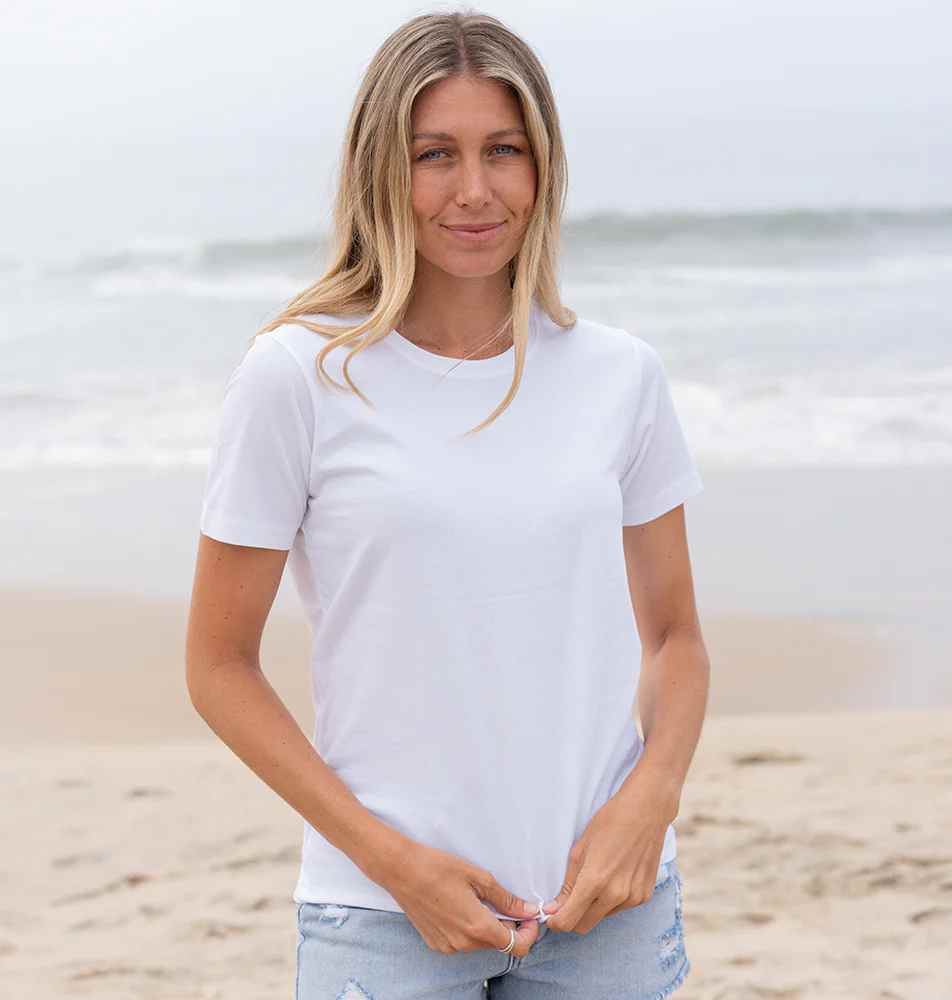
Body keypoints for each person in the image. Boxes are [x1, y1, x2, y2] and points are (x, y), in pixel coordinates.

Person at [185, 12, 707, 997]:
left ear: (541, 165)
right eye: (436, 155)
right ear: (380, 168)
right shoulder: (297, 375)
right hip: (382, 915)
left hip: (605, 910)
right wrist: (393, 862)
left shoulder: (620, 376)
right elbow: (217, 665)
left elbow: (676, 636)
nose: (474, 189)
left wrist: (650, 803)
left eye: (502, 150)